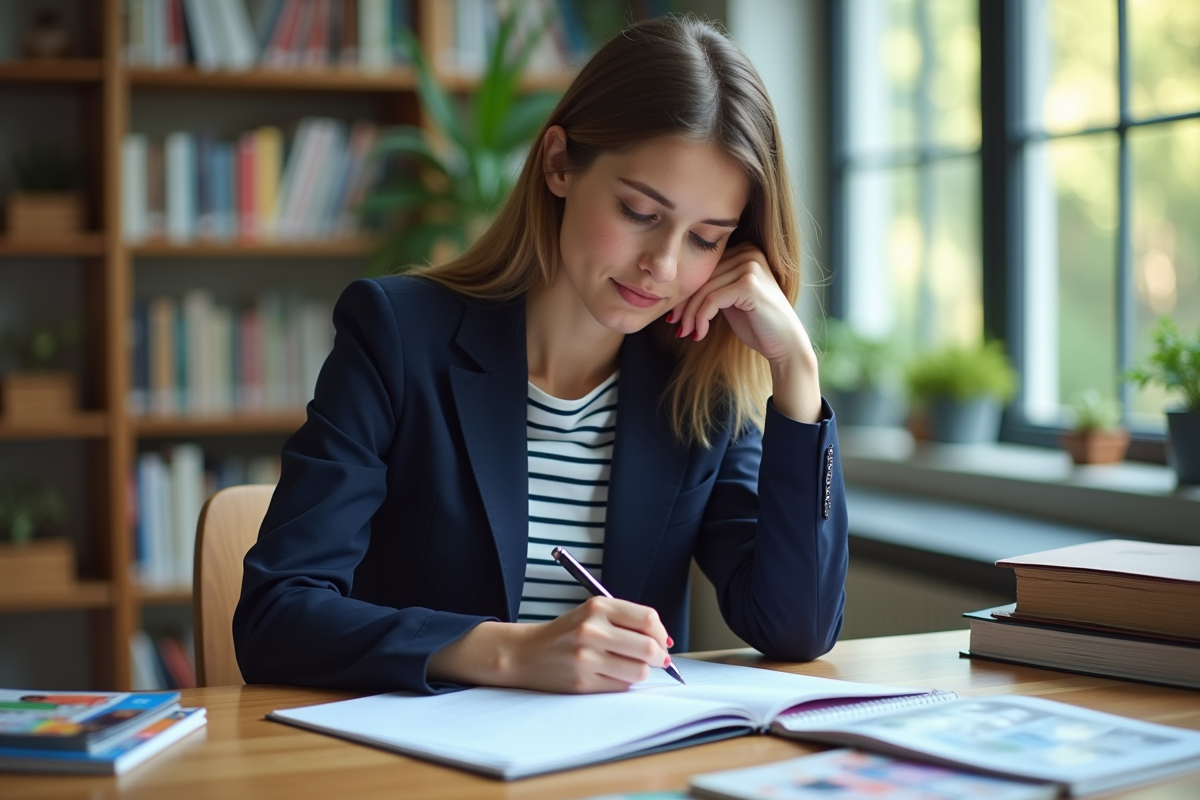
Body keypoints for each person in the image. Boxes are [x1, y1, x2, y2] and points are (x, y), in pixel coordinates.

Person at [233, 14, 847, 696]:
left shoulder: (699, 387)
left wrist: (796, 370)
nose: (662, 266)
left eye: (705, 238)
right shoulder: (398, 336)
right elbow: (275, 617)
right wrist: (506, 653)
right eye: (640, 213)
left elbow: (796, 628)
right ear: (559, 163)